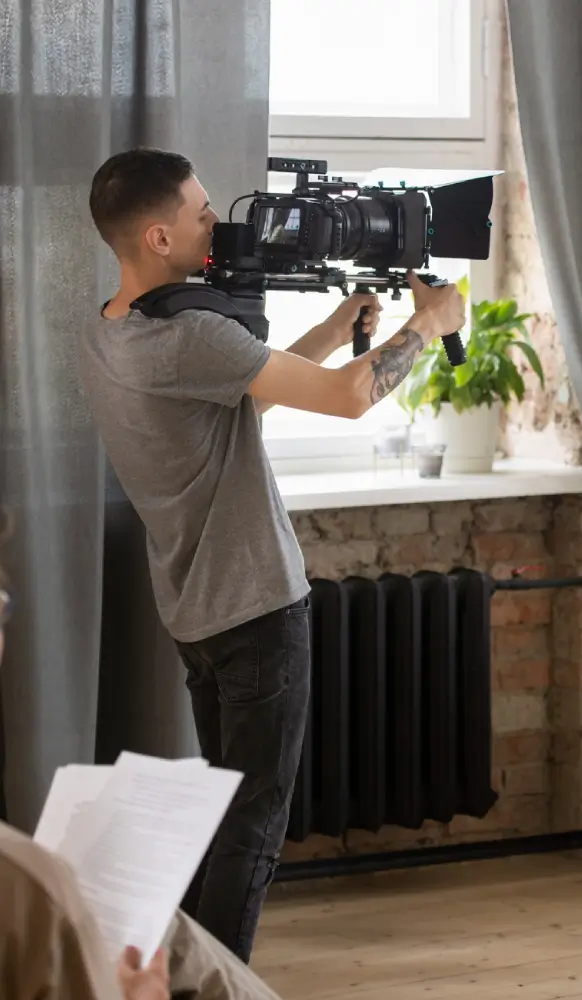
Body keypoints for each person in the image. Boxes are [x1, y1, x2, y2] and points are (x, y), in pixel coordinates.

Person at [81, 148, 466, 962]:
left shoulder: (114, 328)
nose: (214, 223)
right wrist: (426, 327)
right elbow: (351, 399)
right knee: (253, 830)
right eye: (196, 214)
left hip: (195, 611)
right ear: (157, 237)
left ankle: (176, 975)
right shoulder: (193, 338)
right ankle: (218, 986)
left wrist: (336, 328)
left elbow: (252, 385)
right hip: (256, 610)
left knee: (220, 816)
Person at [0, 568, 284, 999]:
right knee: (252, 825)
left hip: (209, 617)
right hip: (250, 608)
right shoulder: (28, 888)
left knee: (167, 931)